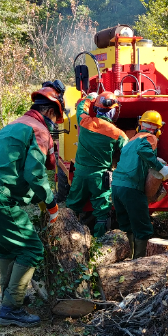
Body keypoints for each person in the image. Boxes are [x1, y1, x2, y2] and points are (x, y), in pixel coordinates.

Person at [0, 81, 65, 327]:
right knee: (31, 248)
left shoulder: (13, 126)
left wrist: (33, 198)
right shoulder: (39, 131)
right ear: (51, 111)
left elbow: (14, 172)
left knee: (8, 248)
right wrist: (51, 204)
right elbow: (34, 174)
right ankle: (11, 309)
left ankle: (10, 297)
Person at [111, 110, 168, 258]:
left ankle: (126, 258)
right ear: (157, 129)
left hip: (117, 187)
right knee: (143, 229)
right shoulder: (150, 138)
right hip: (131, 189)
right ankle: (138, 263)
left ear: (140, 124)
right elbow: (144, 151)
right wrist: (161, 168)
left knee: (126, 226)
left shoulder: (132, 140)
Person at [66, 91, 127, 238]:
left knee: (72, 207)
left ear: (97, 109)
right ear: (112, 111)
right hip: (100, 178)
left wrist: (90, 97)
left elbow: (80, 108)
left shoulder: (85, 122)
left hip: (80, 174)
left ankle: (67, 237)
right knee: (102, 212)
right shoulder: (118, 133)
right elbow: (128, 152)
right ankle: (99, 245)